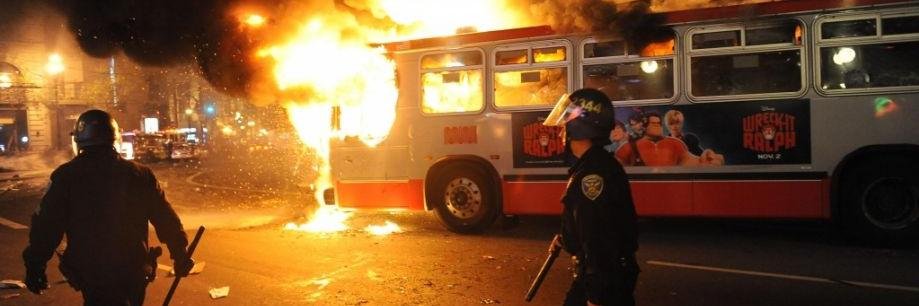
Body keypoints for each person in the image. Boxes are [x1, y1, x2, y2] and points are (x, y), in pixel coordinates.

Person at [22, 109, 193, 306]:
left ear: (79, 141)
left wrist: (35, 265)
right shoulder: (140, 175)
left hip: (92, 273)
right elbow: (165, 217)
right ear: (114, 139)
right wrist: (179, 253)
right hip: (134, 269)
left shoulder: (66, 176)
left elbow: (47, 225)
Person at [543, 88, 639, 306]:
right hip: (609, 276)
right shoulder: (598, 164)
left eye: (566, 121)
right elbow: (595, 222)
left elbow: (599, 239)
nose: (561, 131)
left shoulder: (591, 176)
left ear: (579, 127)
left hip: (604, 282)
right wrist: (566, 236)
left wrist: (597, 298)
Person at [616, 112, 724, 166]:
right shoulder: (628, 147)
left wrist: (709, 157)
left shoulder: (675, 144)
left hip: (671, 188)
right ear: (644, 126)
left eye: (659, 123)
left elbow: (692, 162)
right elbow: (613, 170)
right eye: (653, 124)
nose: (657, 126)